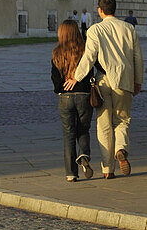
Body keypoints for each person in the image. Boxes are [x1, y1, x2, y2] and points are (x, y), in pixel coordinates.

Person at [67, 0, 143, 179]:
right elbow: (137, 58)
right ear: (115, 9)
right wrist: (138, 81)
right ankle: (121, 149)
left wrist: (77, 77)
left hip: (103, 80)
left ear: (100, 10)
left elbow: (90, 56)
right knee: (122, 120)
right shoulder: (128, 28)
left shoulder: (95, 30)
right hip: (124, 80)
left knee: (103, 125)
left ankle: (108, 169)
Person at [51, 18, 94, 182]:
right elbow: (89, 73)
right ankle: (84, 154)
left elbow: (54, 78)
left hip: (65, 97)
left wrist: (61, 88)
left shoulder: (57, 52)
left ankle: (71, 173)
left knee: (68, 134)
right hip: (83, 95)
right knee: (83, 129)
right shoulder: (84, 50)